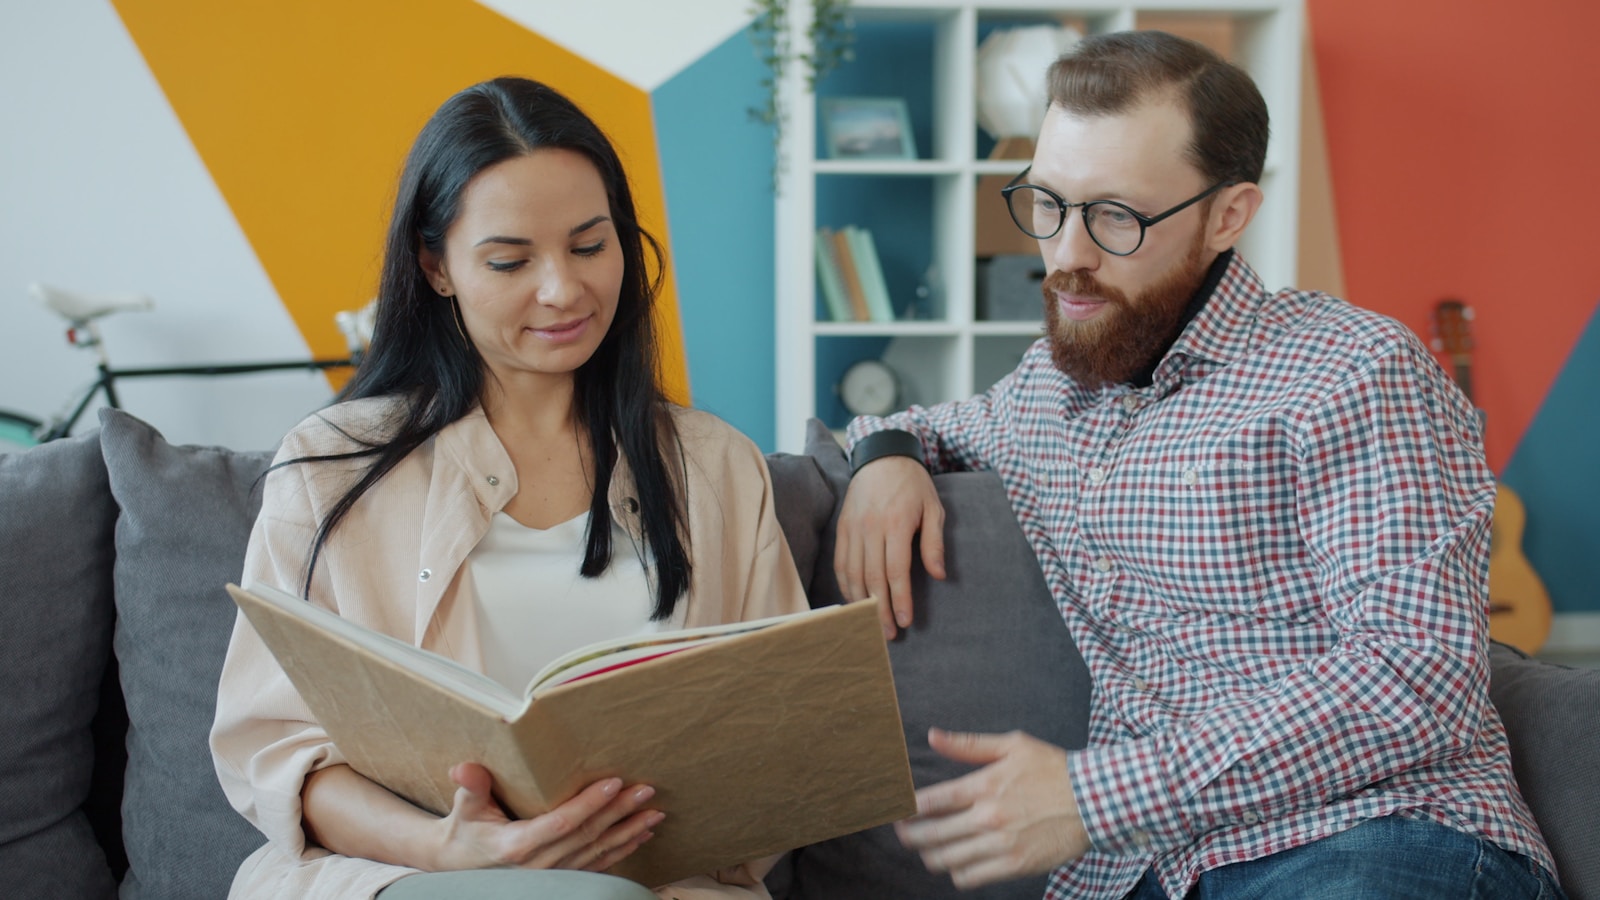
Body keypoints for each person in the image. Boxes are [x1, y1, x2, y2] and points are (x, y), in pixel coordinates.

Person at [835, 31, 1563, 900]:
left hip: (1377, 838)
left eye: (1116, 216)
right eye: (1047, 204)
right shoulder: (1050, 389)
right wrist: (885, 457)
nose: (1067, 254)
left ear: (1228, 215)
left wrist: (1091, 793)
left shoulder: (1355, 369)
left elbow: (1417, 679)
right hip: (1144, 869)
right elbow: (916, 422)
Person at [209, 77, 808, 900]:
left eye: (590, 246)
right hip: (401, 878)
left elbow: (785, 734)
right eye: (510, 260)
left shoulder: (716, 469)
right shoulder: (332, 465)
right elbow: (278, 752)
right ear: (437, 267)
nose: (562, 289)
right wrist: (450, 849)